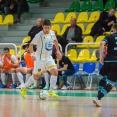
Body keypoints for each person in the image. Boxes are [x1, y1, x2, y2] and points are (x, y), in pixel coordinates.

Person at [20, 19, 61, 98]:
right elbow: (31, 45)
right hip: (40, 59)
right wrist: (32, 54)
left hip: (49, 58)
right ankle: (24, 87)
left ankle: (51, 91)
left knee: (55, 72)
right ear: (42, 27)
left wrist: (58, 51)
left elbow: (55, 41)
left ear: (50, 27)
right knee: (36, 76)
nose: (47, 29)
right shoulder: (39, 35)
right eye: (45, 28)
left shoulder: (52, 33)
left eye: (48, 28)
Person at [93, 23, 117, 107]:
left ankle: (99, 94)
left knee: (105, 77)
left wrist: (100, 57)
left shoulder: (109, 36)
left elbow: (101, 43)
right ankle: (98, 98)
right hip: (115, 62)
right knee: (112, 83)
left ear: (114, 29)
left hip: (108, 61)